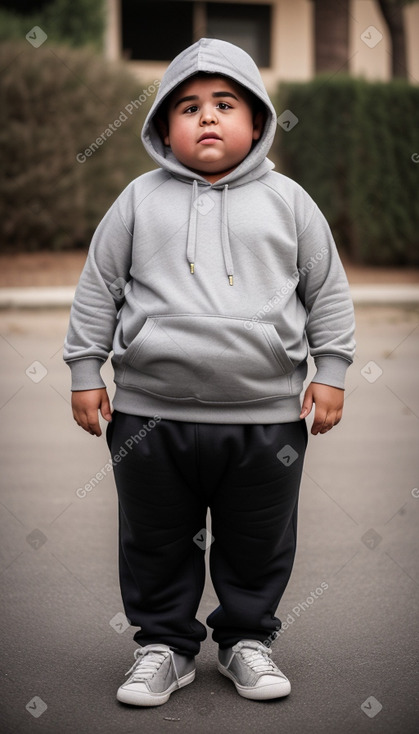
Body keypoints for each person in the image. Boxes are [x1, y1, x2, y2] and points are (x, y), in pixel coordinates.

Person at [64, 38, 355, 706]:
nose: (207, 117)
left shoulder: (289, 202)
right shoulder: (137, 201)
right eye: (188, 107)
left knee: (257, 540)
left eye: (225, 104)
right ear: (163, 126)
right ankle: (163, 647)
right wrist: (85, 370)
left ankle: (246, 640)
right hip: (148, 416)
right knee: (154, 537)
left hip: (266, 418)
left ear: (256, 121)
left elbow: (327, 293)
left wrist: (331, 370)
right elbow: (97, 290)